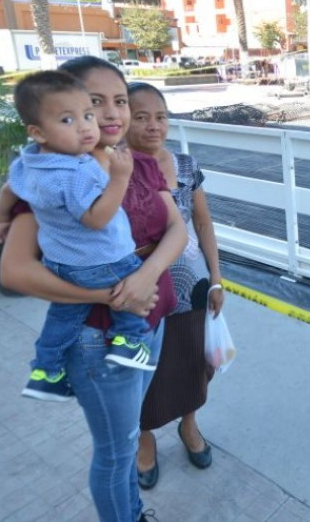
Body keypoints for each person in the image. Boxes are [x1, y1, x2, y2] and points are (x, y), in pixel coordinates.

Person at [0, 56, 185, 522]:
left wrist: (144, 277)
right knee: (117, 451)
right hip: (98, 334)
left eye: (119, 101)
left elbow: (177, 230)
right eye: (93, 102)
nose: (109, 114)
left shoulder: (135, 163)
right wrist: (109, 295)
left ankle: (133, 511)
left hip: (148, 317)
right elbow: (15, 273)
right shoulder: (53, 179)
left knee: (129, 435)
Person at [0, 71, 157, 402]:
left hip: (61, 264)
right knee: (131, 274)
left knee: (63, 316)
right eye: (68, 120)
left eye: (87, 115)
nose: (86, 126)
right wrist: (119, 179)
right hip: (100, 262)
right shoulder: (77, 171)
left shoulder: (30, 161)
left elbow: (8, 190)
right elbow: (96, 220)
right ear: (37, 131)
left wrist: (2, 219)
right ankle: (129, 341)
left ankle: (46, 370)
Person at [125, 83, 225, 489]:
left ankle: (189, 423)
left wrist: (216, 279)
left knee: (192, 360)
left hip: (192, 285)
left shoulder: (185, 165)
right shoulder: (113, 170)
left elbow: (202, 222)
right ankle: (144, 438)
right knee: (141, 368)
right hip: (141, 290)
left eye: (161, 116)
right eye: (141, 117)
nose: (154, 125)